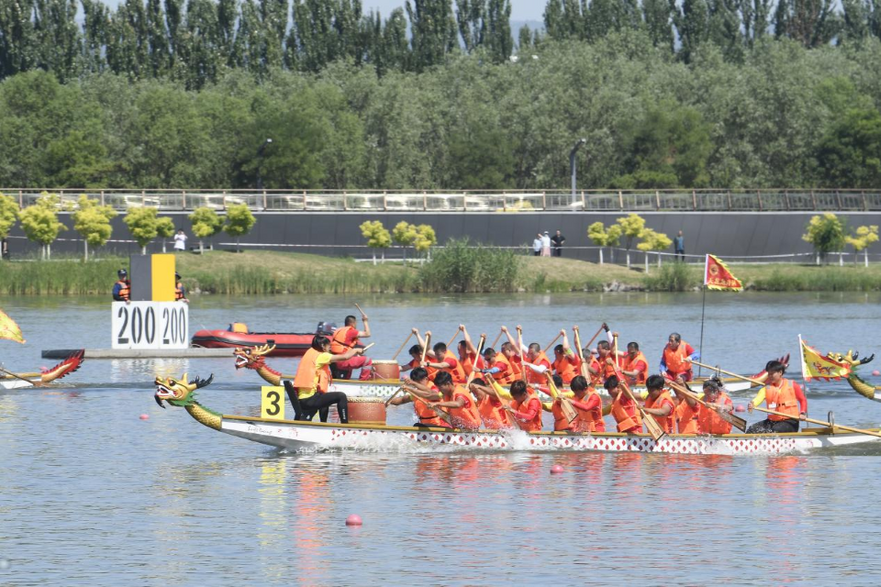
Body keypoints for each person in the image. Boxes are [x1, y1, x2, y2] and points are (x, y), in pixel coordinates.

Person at [289, 334, 363, 422]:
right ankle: (344, 425)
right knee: (341, 396)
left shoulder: (309, 352)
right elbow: (345, 357)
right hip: (309, 400)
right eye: (329, 347)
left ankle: (323, 424)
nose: (330, 349)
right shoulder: (321, 356)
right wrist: (355, 350)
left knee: (323, 397)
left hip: (304, 399)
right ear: (323, 346)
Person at [747, 360, 807, 434]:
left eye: (772, 374)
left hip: (790, 422)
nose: (770, 376)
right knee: (752, 429)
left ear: (780, 373)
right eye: (769, 374)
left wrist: (802, 413)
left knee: (774, 430)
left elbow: (802, 400)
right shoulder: (767, 388)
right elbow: (758, 398)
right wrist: (752, 404)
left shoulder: (792, 384)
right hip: (772, 421)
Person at [329, 309, 372, 380]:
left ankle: (346, 380)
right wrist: (365, 321)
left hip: (335, 361)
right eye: (356, 323)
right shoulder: (351, 331)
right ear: (353, 323)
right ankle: (362, 382)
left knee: (354, 358)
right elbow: (367, 334)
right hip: (342, 361)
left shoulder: (339, 331)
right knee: (367, 360)